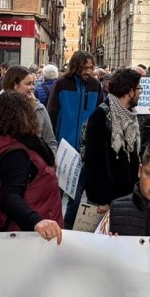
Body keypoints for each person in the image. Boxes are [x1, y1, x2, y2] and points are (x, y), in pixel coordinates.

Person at [0, 91, 63, 241]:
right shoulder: (15, 153)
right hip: (30, 234)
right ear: (24, 115)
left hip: (26, 228)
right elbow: (9, 198)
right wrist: (37, 221)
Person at [47, 51, 104, 227]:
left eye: (91, 67)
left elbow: (99, 116)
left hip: (84, 152)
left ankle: (68, 230)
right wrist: (53, 146)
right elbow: (52, 115)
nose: (88, 71)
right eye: (85, 67)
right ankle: (54, 225)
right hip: (63, 149)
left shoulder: (96, 85)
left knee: (76, 197)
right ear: (76, 66)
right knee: (56, 195)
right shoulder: (61, 84)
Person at [83, 68, 143, 211]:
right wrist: (101, 199)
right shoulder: (101, 115)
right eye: (139, 88)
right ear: (130, 92)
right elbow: (93, 161)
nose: (141, 93)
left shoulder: (131, 115)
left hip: (127, 193)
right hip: (108, 197)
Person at [2, 65, 57, 152]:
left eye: (33, 83)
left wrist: (50, 160)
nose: (32, 87)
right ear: (15, 85)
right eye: (28, 84)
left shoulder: (39, 109)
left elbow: (50, 141)